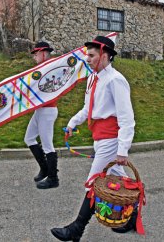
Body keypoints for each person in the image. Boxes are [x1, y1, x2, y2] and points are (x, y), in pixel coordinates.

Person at [51, 35, 136, 241]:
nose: (87, 59)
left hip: (110, 139)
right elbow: (87, 109)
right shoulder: (93, 78)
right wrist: (72, 123)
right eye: (86, 55)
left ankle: (76, 229)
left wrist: (122, 150)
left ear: (105, 56)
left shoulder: (116, 80)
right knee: (119, 178)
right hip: (99, 138)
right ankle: (132, 218)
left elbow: (127, 118)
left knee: (94, 181)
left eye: (91, 55)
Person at [25, 41, 59, 189]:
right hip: (39, 109)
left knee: (47, 145)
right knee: (29, 138)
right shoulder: (39, 68)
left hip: (48, 110)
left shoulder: (51, 67)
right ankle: (45, 168)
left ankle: (53, 178)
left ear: (44, 53)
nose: (34, 57)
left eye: (36, 53)